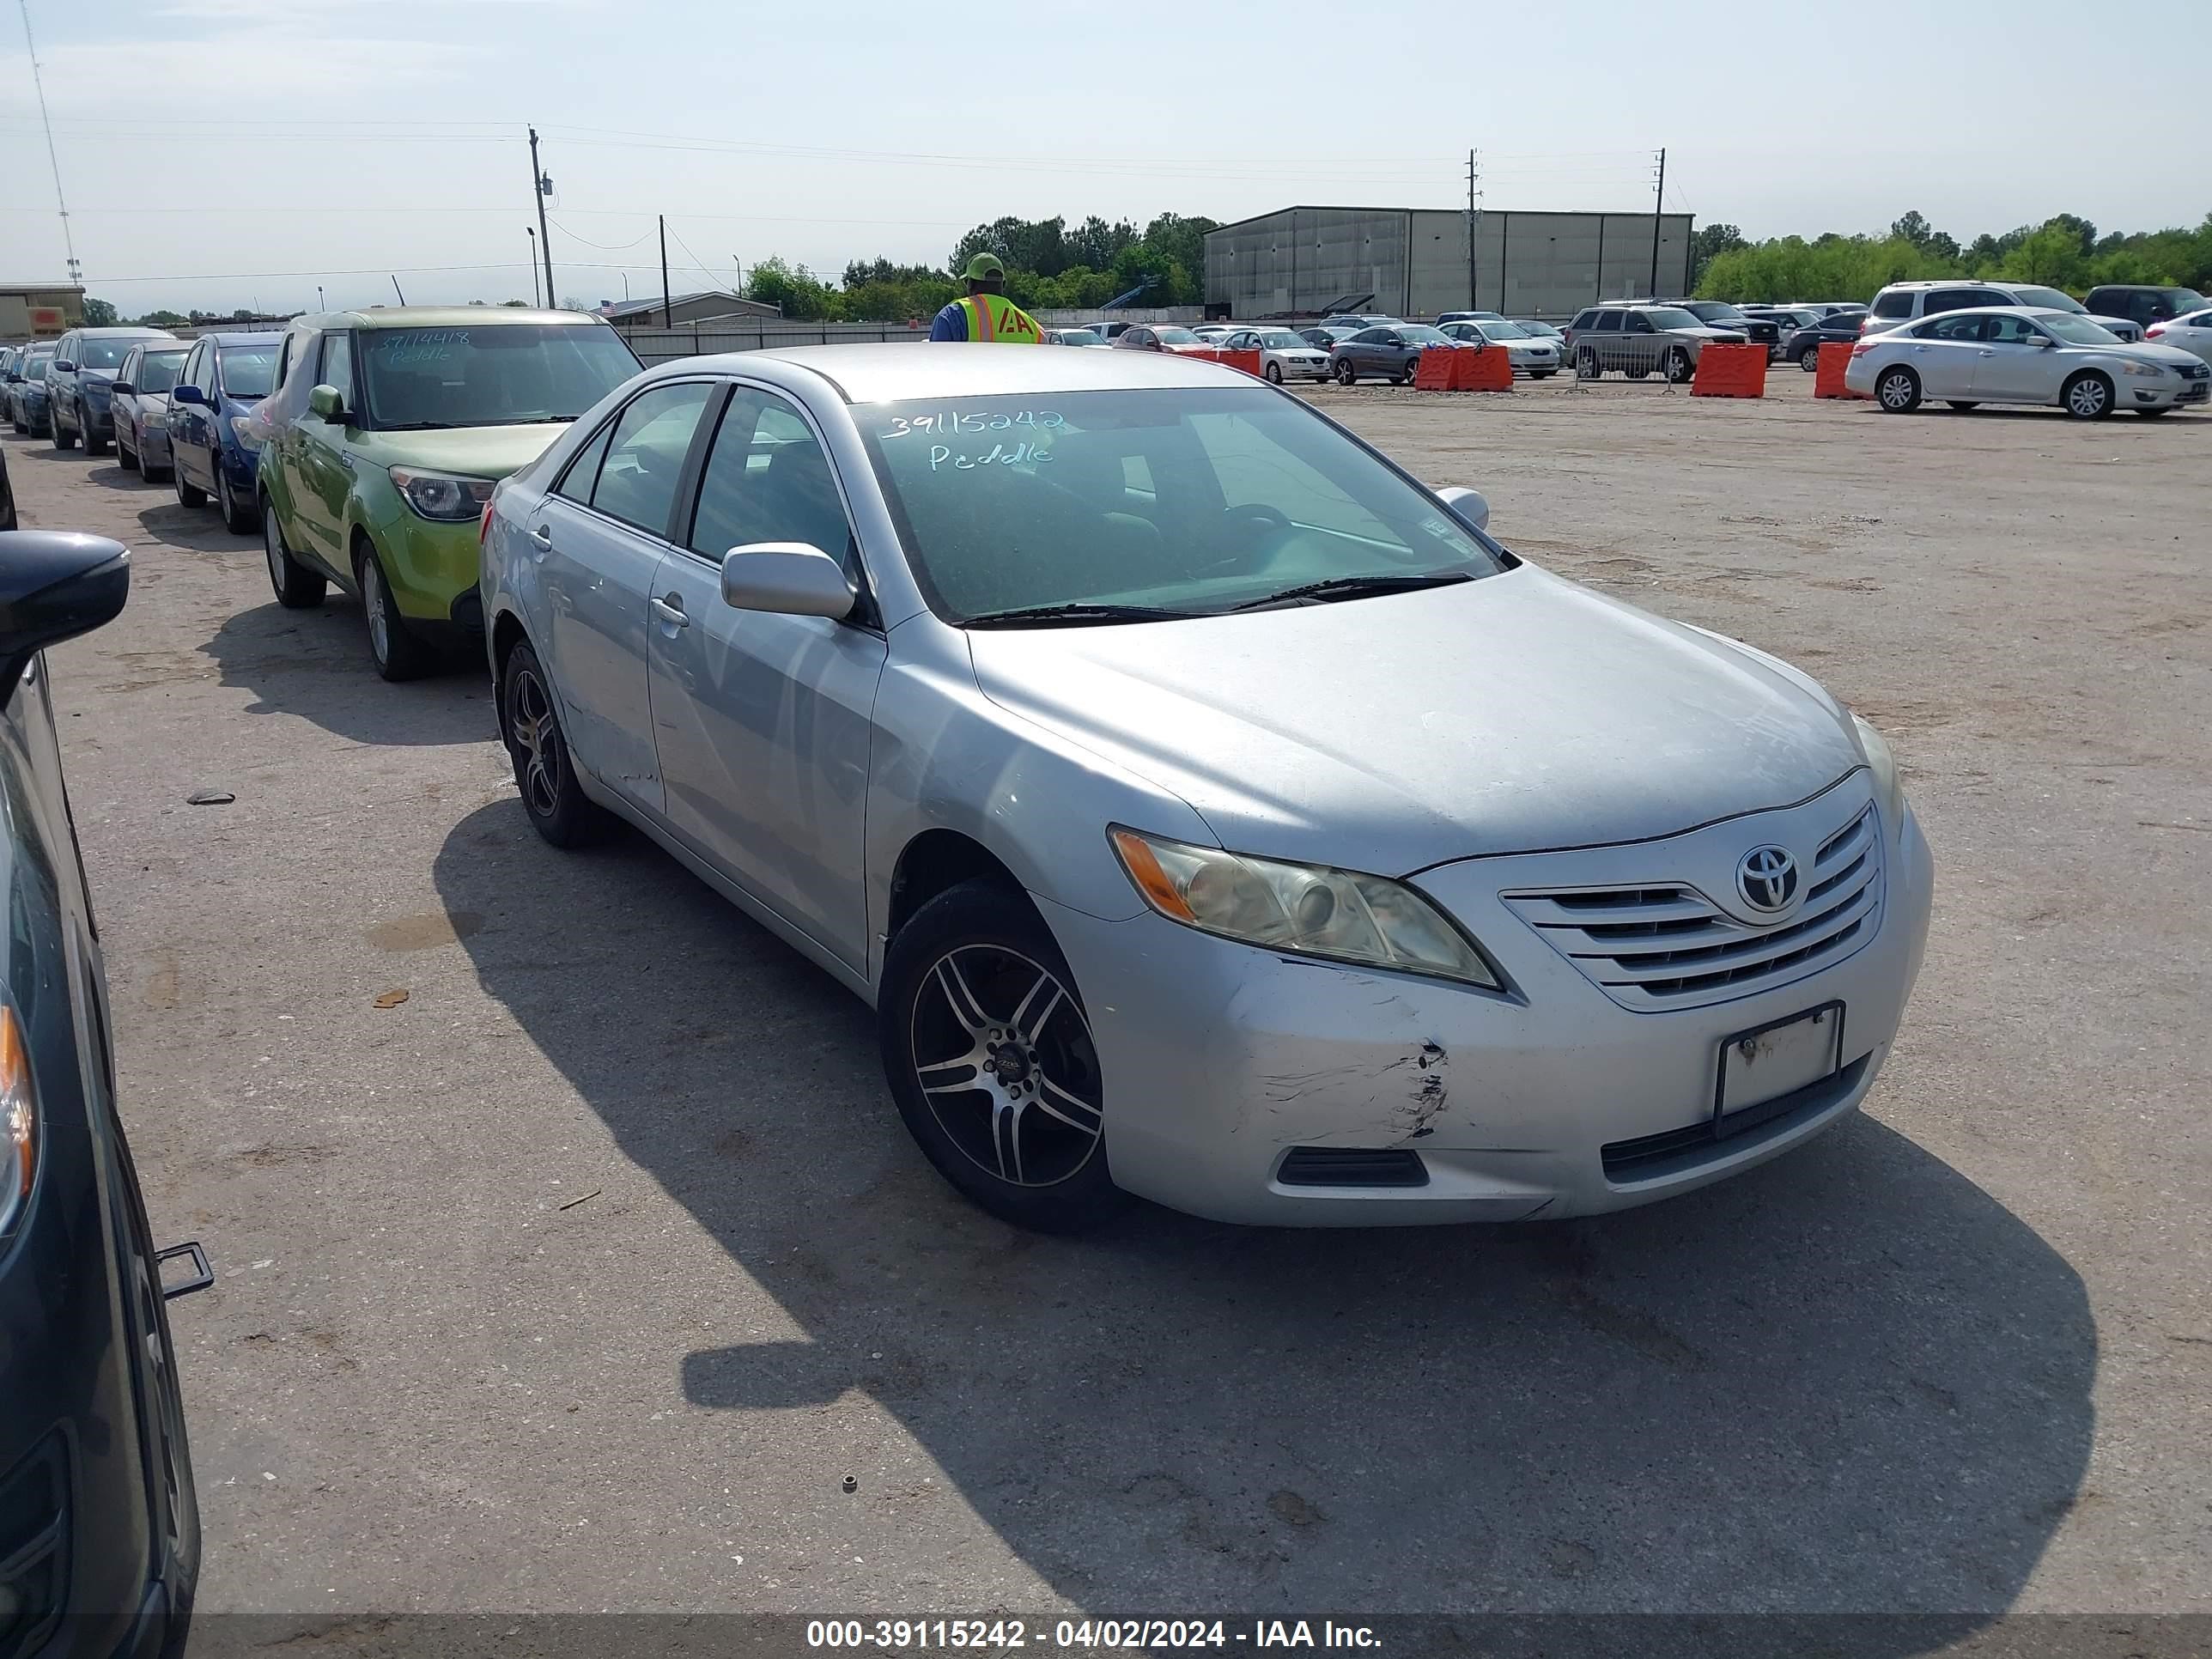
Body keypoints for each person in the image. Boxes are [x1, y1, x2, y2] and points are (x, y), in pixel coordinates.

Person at [930, 253, 1045, 343]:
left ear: (969, 284)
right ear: (1003, 285)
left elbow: (937, 366)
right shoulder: (1034, 328)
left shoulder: (952, 317)